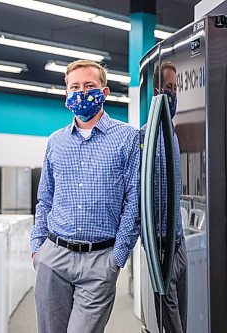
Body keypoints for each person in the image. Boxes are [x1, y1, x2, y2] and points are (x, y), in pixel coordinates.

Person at [31, 59, 140, 333]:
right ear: (66, 93)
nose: (81, 92)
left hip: (99, 260)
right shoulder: (56, 140)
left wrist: (117, 258)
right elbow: (45, 198)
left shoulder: (127, 138)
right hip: (53, 256)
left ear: (104, 92)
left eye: (89, 86)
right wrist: (37, 248)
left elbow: (134, 201)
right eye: (74, 87)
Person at [142, 61, 187, 333]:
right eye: (169, 88)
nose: (173, 94)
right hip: (161, 247)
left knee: (182, 317)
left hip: (179, 243)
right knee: (171, 326)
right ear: (158, 91)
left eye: (176, 88)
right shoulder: (147, 137)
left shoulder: (171, 132)